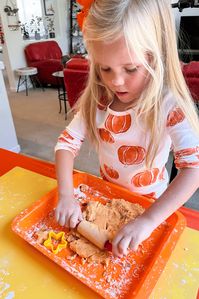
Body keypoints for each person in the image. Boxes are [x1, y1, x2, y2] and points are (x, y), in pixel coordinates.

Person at [55, 0, 199, 257]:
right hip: (107, 201)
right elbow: (66, 145)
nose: (115, 81)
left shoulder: (167, 106)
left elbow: (193, 168)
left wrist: (148, 220)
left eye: (130, 68)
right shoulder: (99, 99)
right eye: (105, 68)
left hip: (152, 208)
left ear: (156, 57)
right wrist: (66, 195)